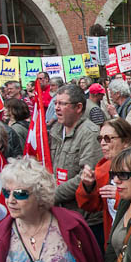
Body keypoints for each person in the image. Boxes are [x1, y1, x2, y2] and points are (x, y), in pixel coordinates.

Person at [48, 84, 104, 246]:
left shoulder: (90, 133)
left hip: (85, 218)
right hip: (62, 212)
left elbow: (86, 175)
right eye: (55, 103)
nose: (57, 108)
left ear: (78, 107)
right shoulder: (56, 130)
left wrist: (53, 195)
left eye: (62, 104)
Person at [77, 118, 131, 249]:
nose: (102, 143)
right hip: (113, 242)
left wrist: (120, 195)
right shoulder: (104, 168)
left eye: (108, 138)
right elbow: (90, 206)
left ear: (125, 141)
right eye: (100, 138)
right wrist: (88, 186)